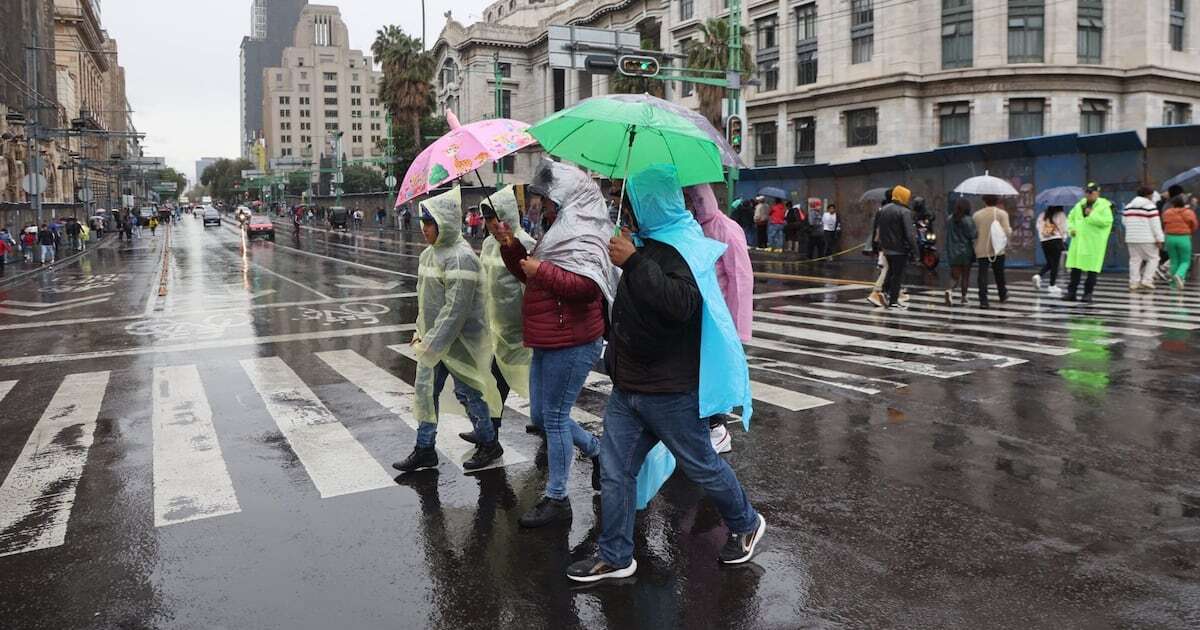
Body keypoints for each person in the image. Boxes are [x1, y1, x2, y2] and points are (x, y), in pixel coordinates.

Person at [567, 164, 763, 583]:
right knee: (616, 471)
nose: (631, 208)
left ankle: (746, 522)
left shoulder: (686, 246)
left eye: (635, 199)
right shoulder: (642, 243)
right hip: (630, 386)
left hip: (671, 390)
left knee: (703, 465)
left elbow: (682, 305)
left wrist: (635, 261)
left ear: (651, 201)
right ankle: (616, 554)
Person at [499, 160, 619, 528]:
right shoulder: (557, 232)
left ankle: (557, 498)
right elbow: (531, 275)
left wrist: (542, 271)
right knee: (542, 416)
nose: (543, 205)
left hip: (574, 339)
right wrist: (510, 247)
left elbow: (587, 289)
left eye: (549, 199)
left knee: (553, 417)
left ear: (567, 199)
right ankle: (597, 451)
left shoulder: (585, 235)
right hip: (548, 335)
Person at [392, 186, 505, 473]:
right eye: (423, 223)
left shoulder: (461, 257)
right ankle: (424, 448)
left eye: (429, 223)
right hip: (433, 341)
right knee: (425, 392)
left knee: (469, 393)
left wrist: (432, 342)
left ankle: (489, 442)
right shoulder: (429, 255)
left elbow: (455, 309)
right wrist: (420, 332)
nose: (425, 229)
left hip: (460, 342)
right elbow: (424, 300)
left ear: (445, 222)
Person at [461, 186, 535, 447]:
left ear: (506, 215)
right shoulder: (489, 245)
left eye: (494, 218)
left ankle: (547, 427)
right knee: (495, 382)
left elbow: (531, 288)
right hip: (498, 328)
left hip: (521, 332)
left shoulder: (524, 243)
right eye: (487, 220)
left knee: (531, 382)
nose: (491, 225)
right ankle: (490, 433)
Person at [685, 183, 753, 454]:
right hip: (698, 314)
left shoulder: (726, 228)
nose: (689, 203)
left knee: (714, 373)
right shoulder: (693, 228)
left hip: (719, 316)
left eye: (692, 197)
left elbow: (741, 280)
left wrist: (737, 330)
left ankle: (718, 427)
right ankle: (707, 426)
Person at [1064, 183, 1114, 303]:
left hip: (1093, 243)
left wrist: (1091, 214)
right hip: (1079, 242)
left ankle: (1088, 293)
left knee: (1092, 270)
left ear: (1097, 193)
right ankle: (1072, 292)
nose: (1088, 194)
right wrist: (1071, 229)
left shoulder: (1103, 206)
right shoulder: (1079, 205)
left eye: (1091, 192)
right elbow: (1070, 219)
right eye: (1087, 192)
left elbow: (1107, 222)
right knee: (1075, 269)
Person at [875, 186, 918, 309]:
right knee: (897, 275)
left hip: (886, 247)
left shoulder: (883, 210)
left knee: (891, 271)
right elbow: (910, 234)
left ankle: (884, 292)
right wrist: (916, 251)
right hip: (899, 248)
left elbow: (878, 228)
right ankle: (893, 300)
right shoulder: (904, 212)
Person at [973, 195, 1013, 309]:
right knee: (999, 273)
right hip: (998, 249)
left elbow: (974, 232)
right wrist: (1010, 231)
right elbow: (1007, 231)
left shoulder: (977, 215)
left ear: (984, 201)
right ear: (997, 201)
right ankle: (1002, 294)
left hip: (981, 248)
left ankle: (983, 300)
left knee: (982, 274)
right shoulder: (1002, 214)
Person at [1123, 186, 1164, 291]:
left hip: (1131, 238)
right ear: (1148, 195)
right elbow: (1155, 224)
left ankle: (1134, 283)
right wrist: (1159, 238)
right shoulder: (1150, 206)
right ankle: (1147, 280)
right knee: (1154, 258)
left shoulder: (1128, 206)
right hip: (1147, 238)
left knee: (1134, 260)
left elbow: (1124, 222)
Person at [943, 198, 978, 306]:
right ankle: (964, 297)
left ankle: (949, 290)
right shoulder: (968, 220)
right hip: (965, 251)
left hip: (953, 251)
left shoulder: (949, 219)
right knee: (965, 275)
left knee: (954, 275)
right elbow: (973, 235)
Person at [1162, 195, 1198, 289]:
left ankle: (1174, 285)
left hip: (1170, 238)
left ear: (1173, 203)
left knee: (1174, 261)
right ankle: (1180, 275)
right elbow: (1194, 225)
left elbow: (1164, 223)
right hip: (1183, 237)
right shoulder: (1189, 212)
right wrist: (1190, 231)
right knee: (1185, 261)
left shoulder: (1167, 212)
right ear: (1184, 203)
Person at [1033, 205, 1068, 295]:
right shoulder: (1061, 214)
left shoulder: (1042, 215)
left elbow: (1038, 227)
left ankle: (1038, 275)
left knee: (1050, 263)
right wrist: (1063, 239)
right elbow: (1064, 228)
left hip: (1044, 241)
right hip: (1056, 240)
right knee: (1055, 264)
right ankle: (1052, 285)